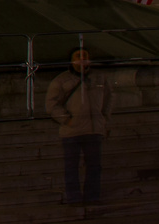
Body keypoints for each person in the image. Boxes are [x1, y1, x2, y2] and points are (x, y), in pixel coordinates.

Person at [45, 47, 113, 205]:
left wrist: (104, 117)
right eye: (78, 56)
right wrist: (66, 119)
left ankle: (92, 197)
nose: (82, 58)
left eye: (85, 55)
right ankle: (74, 198)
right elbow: (51, 104)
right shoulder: (61, 80)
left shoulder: (99, 78)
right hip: (71, 131)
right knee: (71, 167)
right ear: (72, 60)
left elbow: (109, 98)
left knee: (94, 166)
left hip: (93, 129)